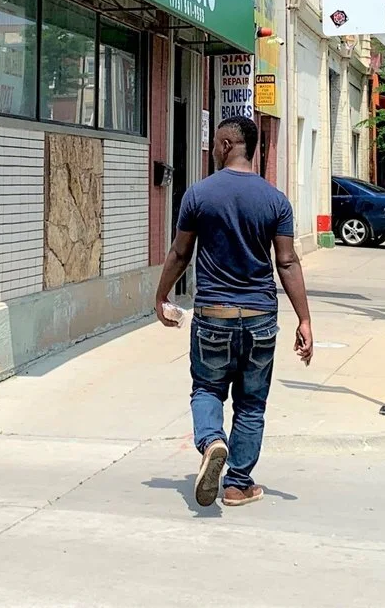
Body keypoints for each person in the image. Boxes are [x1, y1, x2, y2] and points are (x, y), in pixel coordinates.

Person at [154, 114, 313, 508]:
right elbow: (288, 262)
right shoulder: (276, 200)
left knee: (207, 388)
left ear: (226, 144)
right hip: (260, 318)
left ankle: (212, 441)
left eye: (216, 144)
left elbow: (180, 252)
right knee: (251, 403)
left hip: (214, 316)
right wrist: (305, 319)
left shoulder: (199, 194)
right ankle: (238, 484)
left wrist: (161, 295)